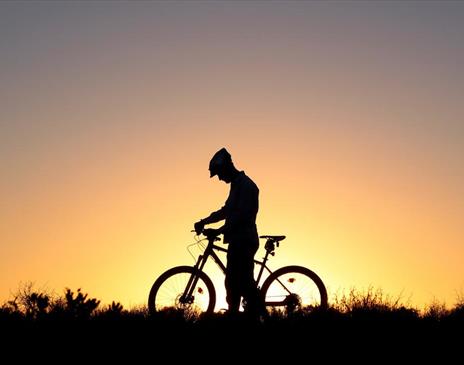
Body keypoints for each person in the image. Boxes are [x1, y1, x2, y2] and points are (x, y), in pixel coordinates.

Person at [194, 147, 262, 318]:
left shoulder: (246, 185)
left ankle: (259, 316)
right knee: (233, 282)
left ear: (226, 167)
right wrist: (205, 221)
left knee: (242, 282)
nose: (219, 178)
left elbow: (240, 217)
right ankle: (237, 315)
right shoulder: (236, 185)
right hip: (237, 240)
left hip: (244, 240)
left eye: (219, 173)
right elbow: (227, 211)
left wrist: (219, 229)